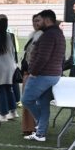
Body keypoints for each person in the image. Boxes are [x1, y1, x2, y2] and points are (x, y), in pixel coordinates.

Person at [21, 9, 65, 143]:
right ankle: (40, 134)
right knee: (43, 104)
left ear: (47, 20)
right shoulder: (58, 33)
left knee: (26, 100)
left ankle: (40, 126)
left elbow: (42, 57)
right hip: (53, 74)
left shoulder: (48, 35)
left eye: (40, 20)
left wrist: (33, 72)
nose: (38, 23)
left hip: (43, 75)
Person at [18, 14, 43, 138]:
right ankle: (30, 127)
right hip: (28, 73)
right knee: (28, 101)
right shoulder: (34, 35)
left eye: (38, 21)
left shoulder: (43, 37)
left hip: (36, 74)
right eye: (34, 21)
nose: (35, 23)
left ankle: (35, 127)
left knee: (32, 101)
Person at [0, 15, 19, 121]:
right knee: (9, 89)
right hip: (10, 65)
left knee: (1, 90)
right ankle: (13, 112)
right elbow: (13, 51)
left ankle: (3, 114)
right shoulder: (10, 35)